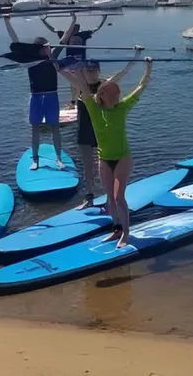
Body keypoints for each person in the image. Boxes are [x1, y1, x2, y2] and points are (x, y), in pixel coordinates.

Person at [58, 57, 153, 248]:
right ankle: (116, 230)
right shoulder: (93, 108)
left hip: (122, 159)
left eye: (117, 93)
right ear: (103, 95)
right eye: (113, 93)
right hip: (104, 159)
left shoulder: (123, 107)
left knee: (119, 197)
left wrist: (148, 67)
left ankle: (126, 234)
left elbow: (141, 85)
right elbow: (80, 85)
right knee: (110, 200)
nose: (117, 96)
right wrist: (58, 68)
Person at [54, 48, 142, 209]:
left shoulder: (105, 85)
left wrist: (137, 56)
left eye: (94, 69)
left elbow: (124, 72)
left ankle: (110, 199)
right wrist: (55, 62)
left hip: (103, 133)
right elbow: (60, 70)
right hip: (85, 130)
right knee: (88, 166)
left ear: (99, 70)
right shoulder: (79, 85)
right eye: (88, 69)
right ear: (83, 71)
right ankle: (89, 197)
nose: (91, 73)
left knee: (107, 166)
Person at [5, 13, 77, 170]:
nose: (50, 49)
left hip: (52, 96)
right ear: (40, 49)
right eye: (46, 47)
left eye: (49, 46)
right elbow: (15, 42)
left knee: (55, 128)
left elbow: (64, 39)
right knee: (35, 129)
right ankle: (35, 160)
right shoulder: (29, 59)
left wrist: (73, 20)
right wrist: (7, 22)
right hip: (36, 98)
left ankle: (58, 159)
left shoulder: (53, 56)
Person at [42, 14, 109, 107]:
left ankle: (83, 98)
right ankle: (75, 101)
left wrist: (104, 18)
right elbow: (53, 29)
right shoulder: (66, 34)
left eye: (75, 29)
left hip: (80, 61)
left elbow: (97, 28)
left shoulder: (83, 34)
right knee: (71, 81)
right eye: (72, 29)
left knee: (82, 81)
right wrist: (44, 20)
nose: (73, 31)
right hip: (68, 61)